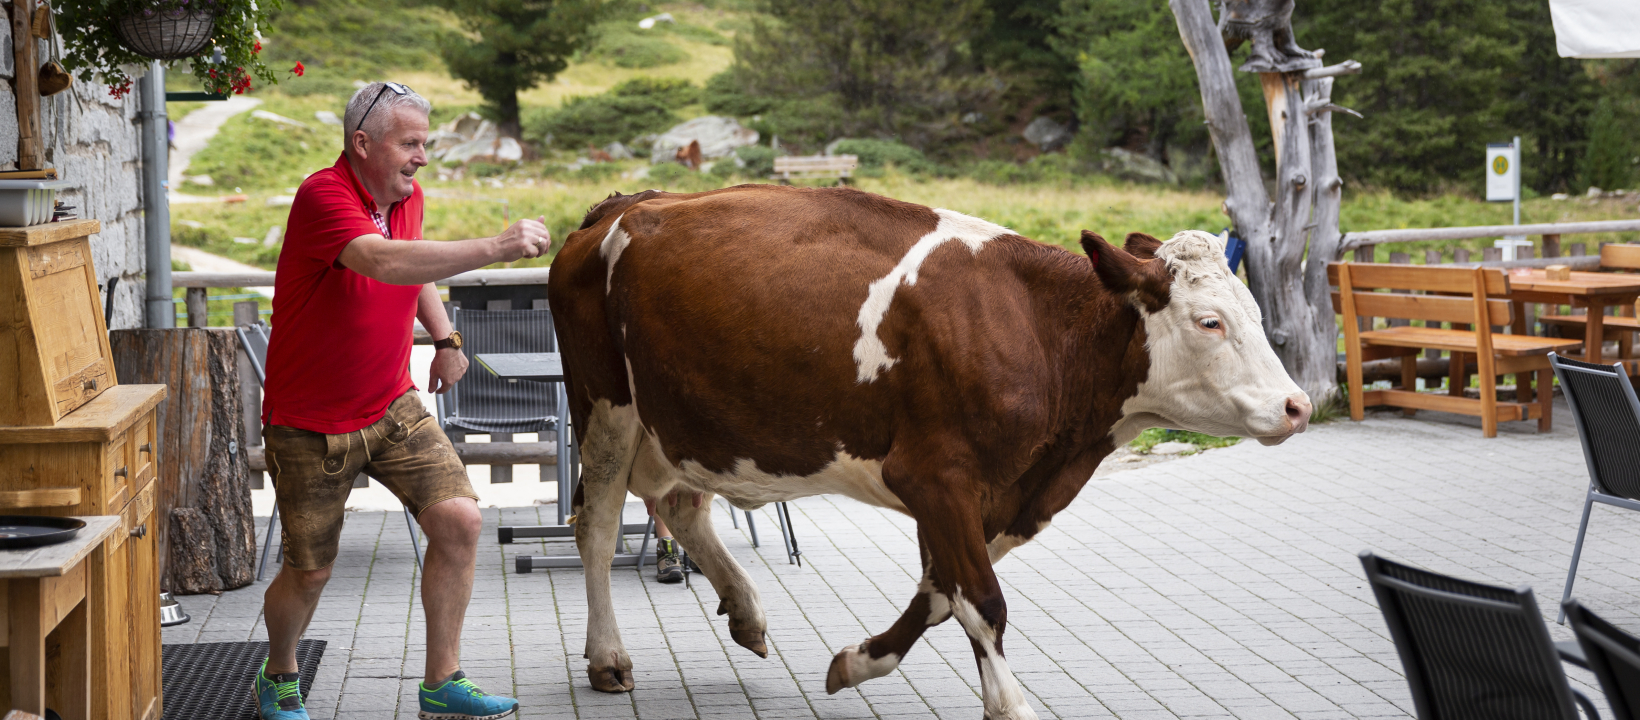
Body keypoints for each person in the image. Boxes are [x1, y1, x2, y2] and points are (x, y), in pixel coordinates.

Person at [254, 81, 550, 720]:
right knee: (310, 572)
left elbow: (415, 271)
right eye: (410, 143)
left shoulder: (405, 197)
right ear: (362, 144)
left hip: (392, 404)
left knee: (460, 522)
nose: (422, 157)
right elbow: (382, 261)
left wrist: (445, 340)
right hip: (310, 422)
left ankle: (442, 682)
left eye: (425, 143)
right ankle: (279, 672)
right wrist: (497, 247)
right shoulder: (323, 195)